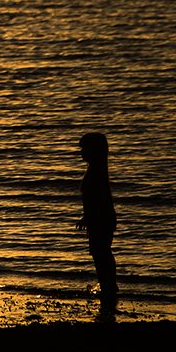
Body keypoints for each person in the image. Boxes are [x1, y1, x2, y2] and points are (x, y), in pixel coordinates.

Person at [76, 131, 118, 308]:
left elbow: (98, 200)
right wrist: (87, 216)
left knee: (101, 253)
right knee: (100, 252)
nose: (81, 152)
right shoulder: (95, 170)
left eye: (84, 148)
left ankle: (109, 286)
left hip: (101, 218)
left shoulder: (96, 172)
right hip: (99, 218)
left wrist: (91, 216)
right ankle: (108, 286)